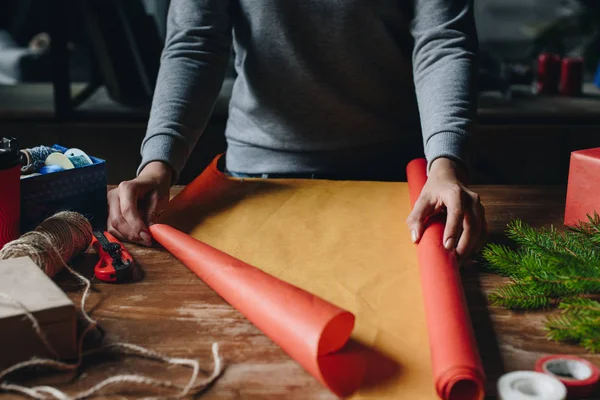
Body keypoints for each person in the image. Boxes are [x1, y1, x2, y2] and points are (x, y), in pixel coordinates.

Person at [108, 0, 487, 262]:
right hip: (255, 179)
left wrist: (444, 166)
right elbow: (195, 44)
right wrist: (157, 165)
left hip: (398, 176)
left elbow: (443, 41)